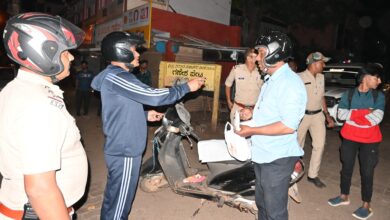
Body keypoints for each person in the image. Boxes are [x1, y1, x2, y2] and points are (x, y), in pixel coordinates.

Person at [91, 31, 205, 220]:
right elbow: (154, 95)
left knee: (115, 196)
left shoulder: (114, 77)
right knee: (120, 203)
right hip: (125, 148)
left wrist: (144, 114)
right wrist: (186, 87)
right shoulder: (119, 76)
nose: (138, 55)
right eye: (134, 50)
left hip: (121, 145)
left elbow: (120, 107)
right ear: (121, 52)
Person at [0, 13, 88, 219]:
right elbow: (40, 190)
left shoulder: (15, 90)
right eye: (66, 52)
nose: (72, 57)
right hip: (38, 213)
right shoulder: (40, 105)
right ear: (44, 53)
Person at [236, 30, 307, 220]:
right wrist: (252, 112)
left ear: (274, 52)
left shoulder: (289, 83)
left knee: (275, 211)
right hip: (263, 154)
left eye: (260, 53)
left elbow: (288, 125)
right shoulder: (271, 80)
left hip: (277, 159)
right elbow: (273, 111)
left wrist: (251, 130)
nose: (257, 58)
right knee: (263, 205)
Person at [328, 63, 385, 220]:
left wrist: (353, 115)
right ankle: (344, 196)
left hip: (370, 140)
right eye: (377, 77)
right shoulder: (349, 94)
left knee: (367, 172)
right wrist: (366, 112)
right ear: (366, 77)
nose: (379, 81)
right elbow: (341, 114)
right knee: (346, 167)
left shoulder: (378, 96)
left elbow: (376, 118)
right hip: (349, 137)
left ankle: (367, 205)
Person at [297, 52, 335, 188]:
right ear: (314, 63)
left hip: (318, 116)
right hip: (302, 116)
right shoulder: (299, 77)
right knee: (297, 146)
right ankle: (293, 171)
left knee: (319, 145)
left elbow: (321, 97)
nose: (324, 65)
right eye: (322, 63)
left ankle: (313, 175)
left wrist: (327, 115)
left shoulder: (321, 77)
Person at [225, 48, 263, 122]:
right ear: (248, 58)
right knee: (236, 131)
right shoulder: (237, 69)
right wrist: (229, 101)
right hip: (238, 107)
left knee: (254, 132)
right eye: (254, 56)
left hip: (254, 109)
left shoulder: (261, 71)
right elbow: (228, 84)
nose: (258, 58)